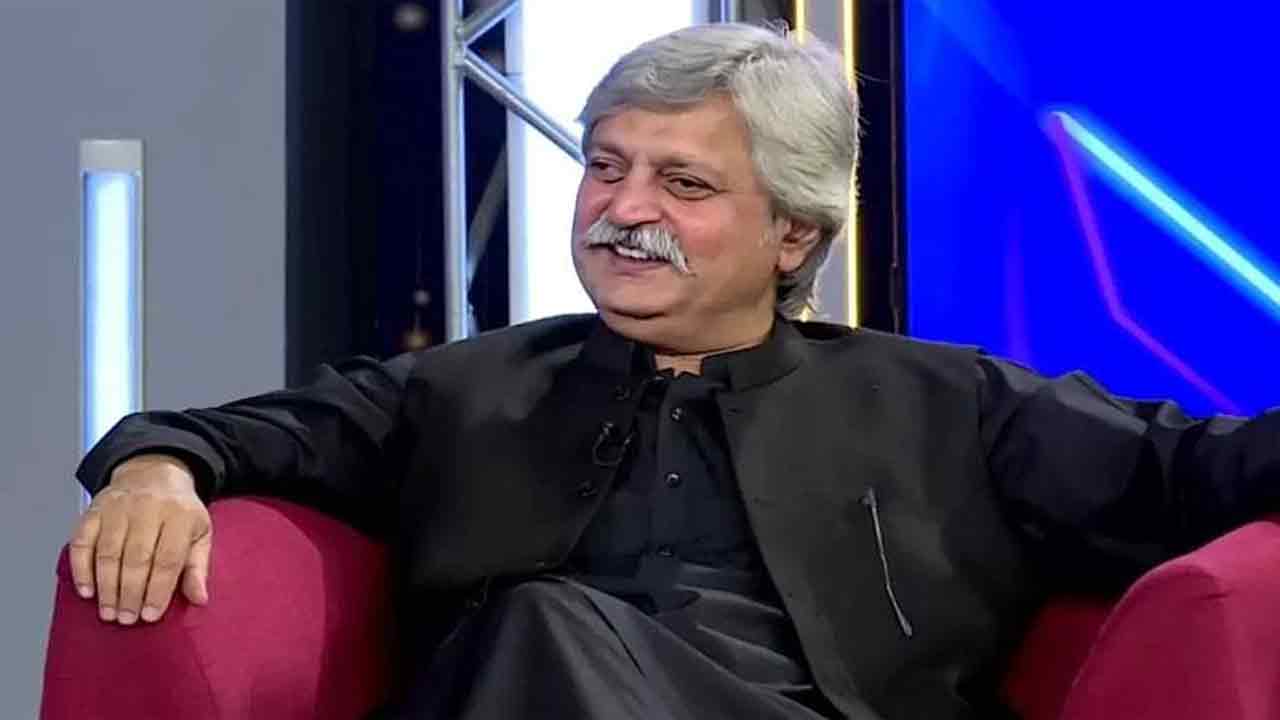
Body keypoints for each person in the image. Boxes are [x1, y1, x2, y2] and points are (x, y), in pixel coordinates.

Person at [68, 22, 1279, 720]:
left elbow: (1192, 470)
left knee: (538, 627)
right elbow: (249, 430)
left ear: (792, 233)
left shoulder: (943, 403)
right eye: (605, 168)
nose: (622, 211)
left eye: (681, 184)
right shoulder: (469, 387)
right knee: (536, 631)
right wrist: (157, 469)